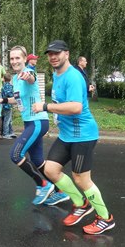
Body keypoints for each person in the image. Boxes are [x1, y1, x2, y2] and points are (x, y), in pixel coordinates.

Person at [32, 40, 114, 235]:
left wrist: (45, 107)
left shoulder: (74, 77)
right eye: (50, 54)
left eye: (57, 53)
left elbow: (76, 107)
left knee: (81, 178)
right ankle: (81, 204)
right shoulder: (57, 73)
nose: (53, 57)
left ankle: (105, 218)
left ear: (67, 54)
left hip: (82, 135)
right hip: (67, 135)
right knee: (51, 170)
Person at [0, 45, 69, 206]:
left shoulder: (28, 72)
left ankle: (43, 185)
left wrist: (28, 75)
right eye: (12, 58)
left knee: (16, 154)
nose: (14, 61)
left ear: (25, 59)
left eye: (18, 58)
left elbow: (31, 77)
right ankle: (60, 192)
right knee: (38, 161)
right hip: (30, 123)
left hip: (38, 121)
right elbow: (17, 99)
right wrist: (2, 100)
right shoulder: (15, 78)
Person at [1, 72, 16, 139]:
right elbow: (9, 94)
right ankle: (5, 133)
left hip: (4, 104)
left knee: (8, 119)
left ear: (4, 79)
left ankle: (10, 132)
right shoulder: (9, 86)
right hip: (8, 105)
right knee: (7, 120)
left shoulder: (4, 85)